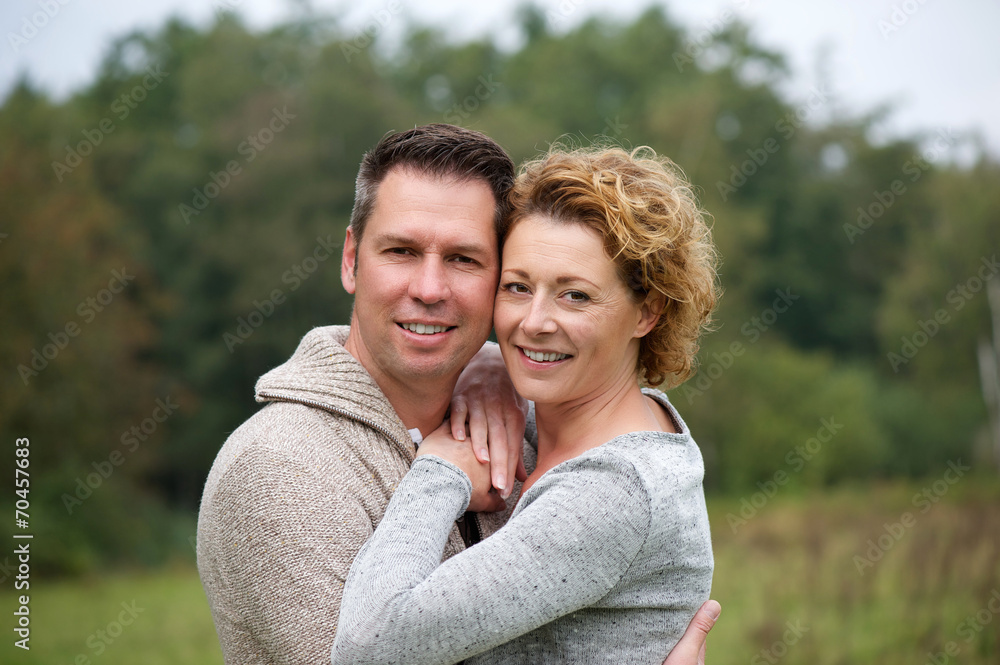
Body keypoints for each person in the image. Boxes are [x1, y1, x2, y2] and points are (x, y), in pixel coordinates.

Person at [197, 124, 718, 665]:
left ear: (648, 311)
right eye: (401, 251)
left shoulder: (575, 447)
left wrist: (491, 371)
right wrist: (486, 379)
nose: (429, 289)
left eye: (464, 260)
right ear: (351, 259)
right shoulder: (277, 468)